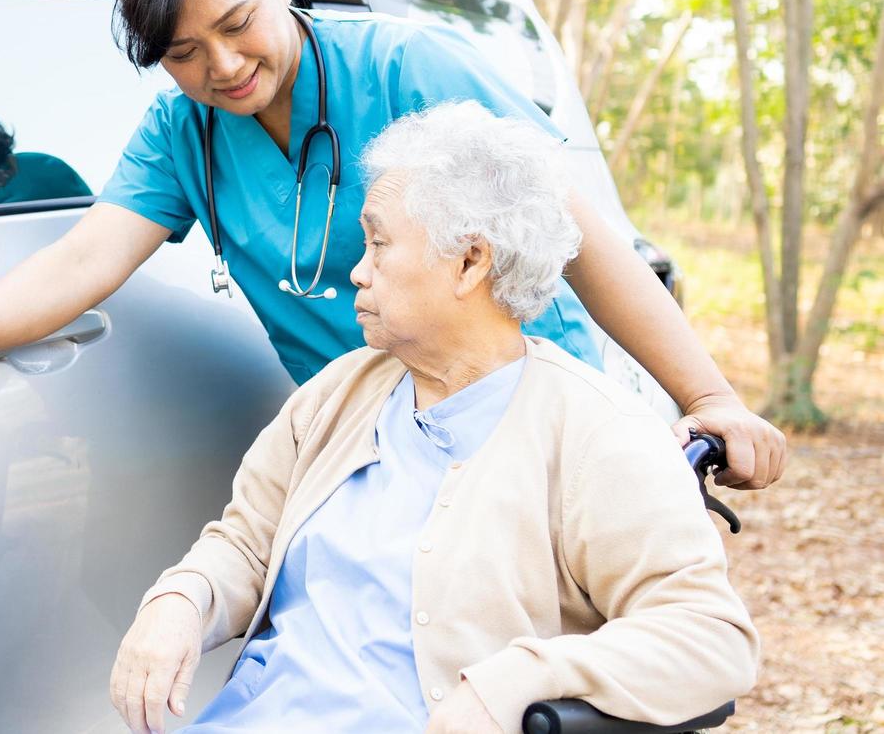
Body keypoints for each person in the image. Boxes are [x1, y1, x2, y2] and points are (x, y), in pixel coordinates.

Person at [0, 0, 785, 490]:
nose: (223, 65)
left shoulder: (409, 67)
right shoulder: (185, 134)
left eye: (237, 22)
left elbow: (582, 233)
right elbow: (85, 259)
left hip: (535, 424)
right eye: (182, 52)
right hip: (382, 448)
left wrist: (709, 396)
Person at [108, 103, 759, 734]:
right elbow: (246, 542)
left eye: (378, 244)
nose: (358, 272)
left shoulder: (598, 432)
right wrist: (181, 599)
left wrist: (517, 681)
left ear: (470, 261)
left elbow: (710, 638)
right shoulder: (339, 393)